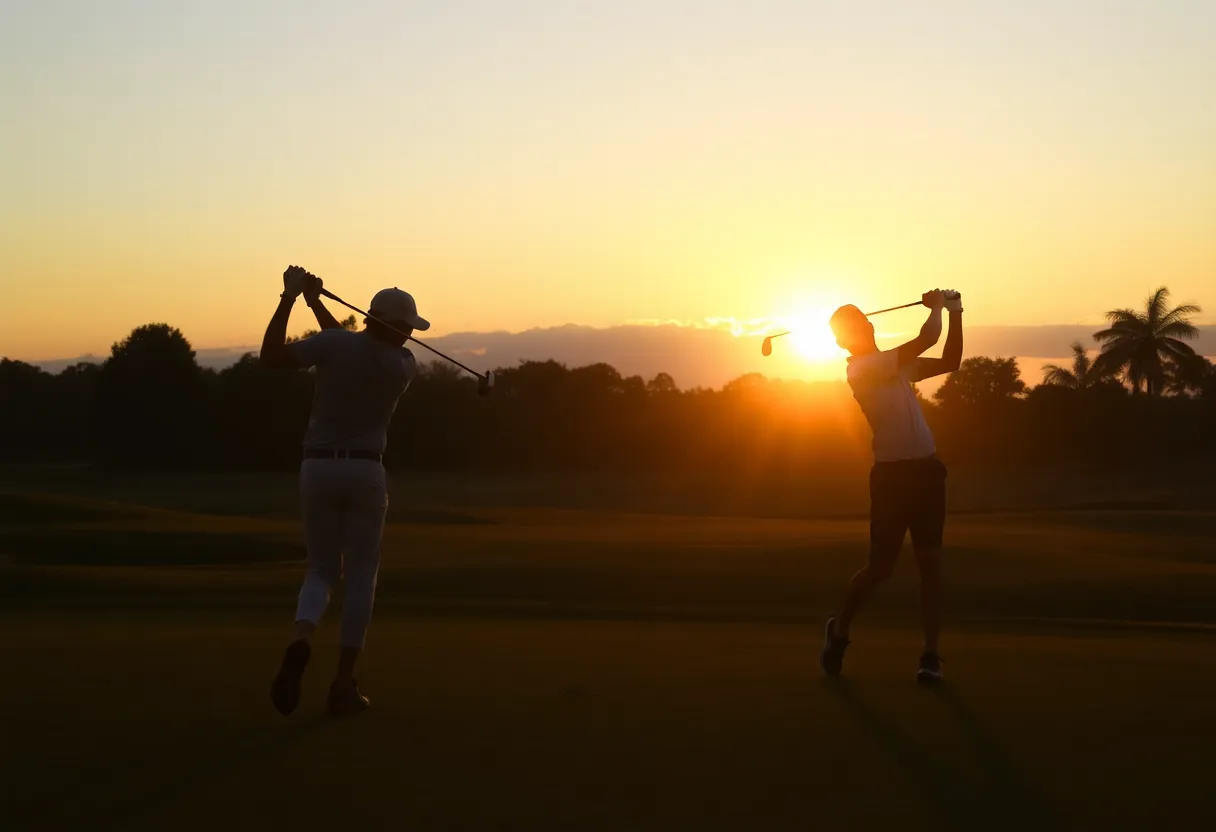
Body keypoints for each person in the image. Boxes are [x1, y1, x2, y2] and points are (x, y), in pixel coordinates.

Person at [260, 265, 428, 715]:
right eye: (408, 327)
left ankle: (301, 637)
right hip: (365, 473)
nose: (411, 336)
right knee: (360, 577)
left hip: (316, 469)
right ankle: (342, 684)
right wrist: (317, 302)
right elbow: (354, 348)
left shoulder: (339, 346)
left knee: (319, 571)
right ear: (394, 328)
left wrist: (291, 296)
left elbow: (272, 356)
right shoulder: (403, 365)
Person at [821, 288, 963, 684]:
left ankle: (930, 656)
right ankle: (840, 631)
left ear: (868, 324)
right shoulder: (862, 370)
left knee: (930, 564)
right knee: (881, 568)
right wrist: (936, 309)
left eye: (860, 322)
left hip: (928, 473)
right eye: (846, 331)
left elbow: (951, 359)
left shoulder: (895, 366)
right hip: (891, 478)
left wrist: (955, 312)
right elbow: (926, 339)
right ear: (840, 342)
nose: (857, 331)